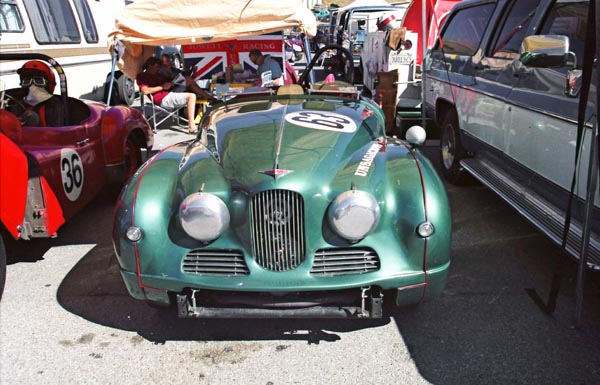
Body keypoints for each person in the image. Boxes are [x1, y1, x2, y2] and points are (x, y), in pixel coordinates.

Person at [136, 57, 215, 134]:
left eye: (159, 67)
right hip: (162, 98)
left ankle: (208, 97)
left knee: (188, 79)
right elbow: (145, 91)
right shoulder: (142, 76)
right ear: (150, 65)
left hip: (169, 91)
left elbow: (172, 79)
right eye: (156, 67)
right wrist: (162, 87)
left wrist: (169, 71)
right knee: (191, 96)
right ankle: (191, 126)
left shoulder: (158, 74)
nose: (158, 69)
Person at [10, 60, 65, 127]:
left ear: (49, 84)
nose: (33, 86)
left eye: (38, 80)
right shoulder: (19, 104)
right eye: (27, 81)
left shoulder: (55, 104)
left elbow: (57, 132)